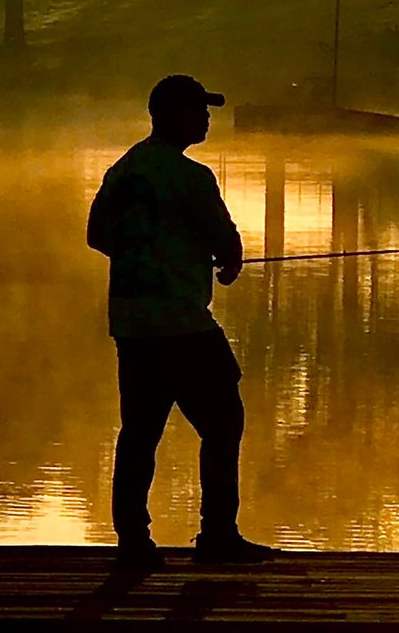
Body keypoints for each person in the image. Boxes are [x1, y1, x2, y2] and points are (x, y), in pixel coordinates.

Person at [87, 74, 274, 571]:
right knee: (224, 422)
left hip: (131, 325)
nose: (207, 118)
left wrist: (149, 257)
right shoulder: (192, 177)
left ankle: (133, 543)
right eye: (198, 110)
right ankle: (217, 537)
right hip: (183, 325)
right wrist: (223, 263)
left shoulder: (124, 169)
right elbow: (226, 243)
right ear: (169, 115)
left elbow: (97, 235)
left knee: (139, 433)